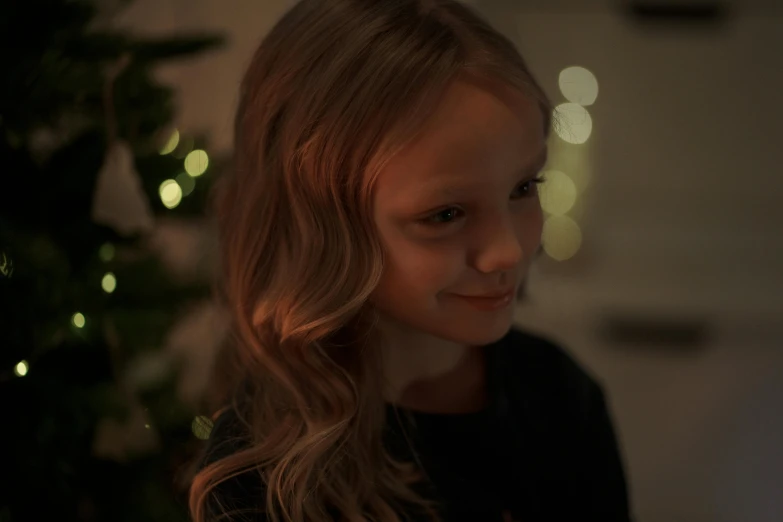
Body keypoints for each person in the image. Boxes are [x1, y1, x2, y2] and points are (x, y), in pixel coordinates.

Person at [188, 1, 633, 521]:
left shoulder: (558, 397)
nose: (510, 250)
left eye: (524, 187)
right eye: (446, 214)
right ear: (320, 226)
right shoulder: (264, 477)